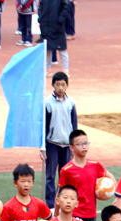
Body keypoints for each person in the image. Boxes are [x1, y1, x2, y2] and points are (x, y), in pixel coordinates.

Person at [58, 128, 112, 221]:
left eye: (86, 143)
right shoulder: (67, 170)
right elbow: (60, 193)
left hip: (91, 214)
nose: (84, 146)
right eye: (80, 144)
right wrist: (56, 216)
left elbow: (109, 176)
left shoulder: (95, 165)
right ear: (71, 148)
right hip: (75, 214)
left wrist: (113, 192)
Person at [41, 72, 75, 210]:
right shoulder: (47, 102)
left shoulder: (71, 103)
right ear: (52, 85)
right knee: (50, 175)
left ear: (67, 85)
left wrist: (74, 145)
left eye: (63, 84)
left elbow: (74, 125)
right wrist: (43, 146)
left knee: (64, 174)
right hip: (52, 144)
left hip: (66, 145)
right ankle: (50, 204)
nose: (60, 87)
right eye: (57, 84)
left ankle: (63, 201)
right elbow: (44, 126)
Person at [38, 0, 68, 75]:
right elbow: (40, 7)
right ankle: (47, 70)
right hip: (46, 25)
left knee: (62, 49)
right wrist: (40, 18)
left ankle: (65, 70)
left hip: (57, 26)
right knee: (47, 49)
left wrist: (60, 19)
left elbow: (67, 7)